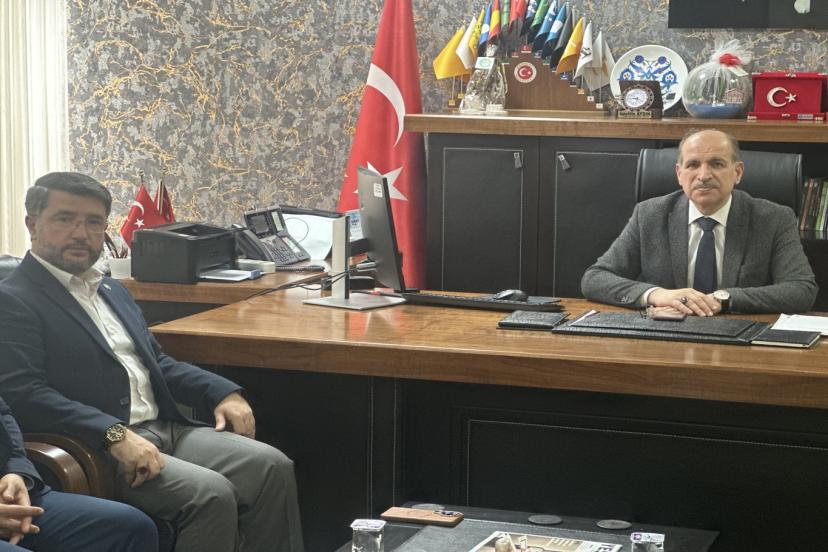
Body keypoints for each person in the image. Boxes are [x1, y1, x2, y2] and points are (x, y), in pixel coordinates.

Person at [0, 173, 304, 552]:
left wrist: (223, 393)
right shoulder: (13, 298)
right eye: (65, 219)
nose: (80, 233)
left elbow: (156, 362)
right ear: (32, 224)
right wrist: (114, 434)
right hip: (99, 444)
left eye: (93, 222)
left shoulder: (111, 289)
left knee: (272, 467)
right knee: (210, 494)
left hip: (165, 428)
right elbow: (25, 394)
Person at [581, 129, 817, 315]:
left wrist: (723, 300)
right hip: (667, 333)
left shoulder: (774, 218)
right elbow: (595, 279)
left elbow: (801, 289)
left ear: (737, 172)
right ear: (679, 174)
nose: (703, 176)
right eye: (693, 165)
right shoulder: (650, 214)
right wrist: (657, 294)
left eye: (717, 164)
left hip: (742, 335)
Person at [0, 395, 158, 551]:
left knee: (132, 527)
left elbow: (3, 414)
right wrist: (115, 434)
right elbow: (27, 395)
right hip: (106, 438)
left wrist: (15, 470)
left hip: (159, 429)